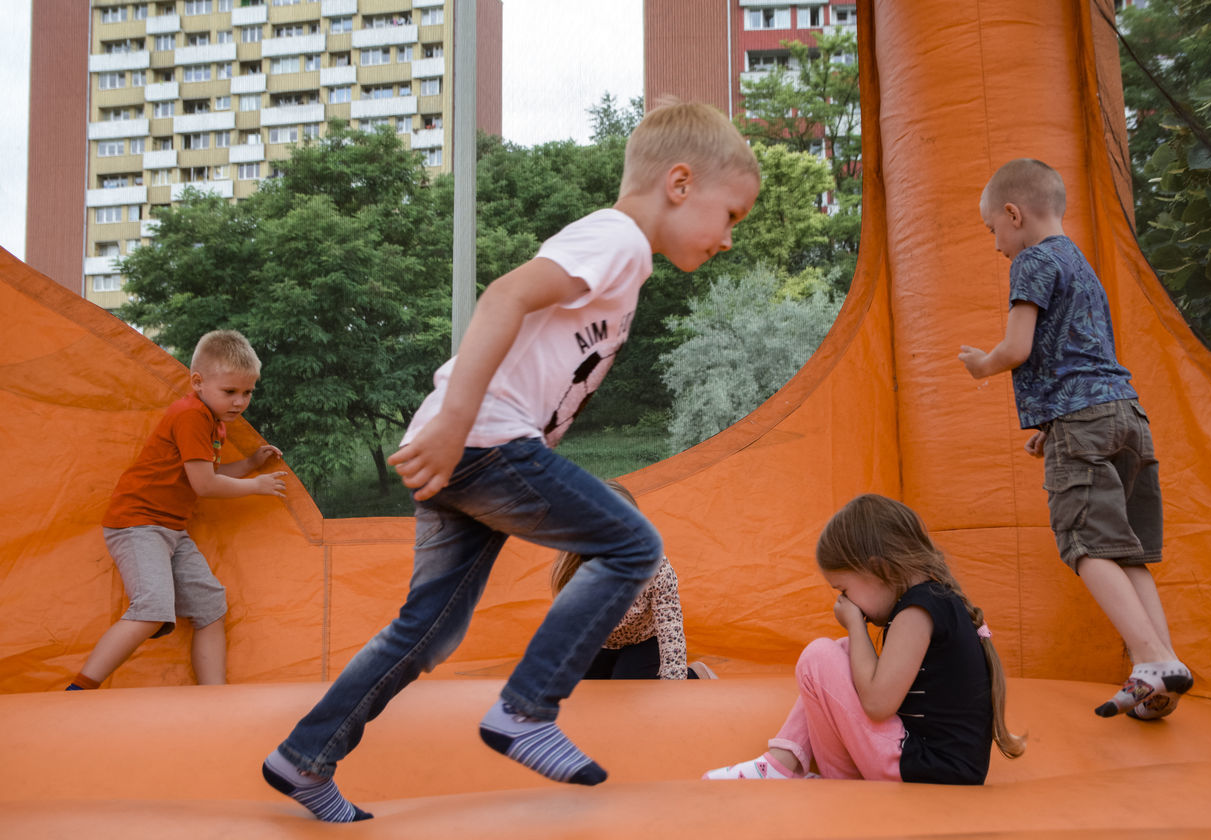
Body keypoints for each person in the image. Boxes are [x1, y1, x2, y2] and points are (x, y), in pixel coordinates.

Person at [261, 100, 761, 822]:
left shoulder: (626, 259)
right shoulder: (619, 239)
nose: (730, 239)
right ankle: (526, 710)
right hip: (483, 439)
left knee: (427, 630)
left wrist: (457, 428)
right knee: (633, 543)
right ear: (679, 184)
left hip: (471, 445)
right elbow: (505, 296)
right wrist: (456, 422)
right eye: (732, 215)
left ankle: (306, 755)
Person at [958, 158, 1192, 720]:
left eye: (993, 230)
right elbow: (1082, 356)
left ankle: (1151, 659)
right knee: (1128, 552)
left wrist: (983, 364)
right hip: (1126, 416)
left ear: (1014, 214)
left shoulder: (1032, 260)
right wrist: (1053, 429)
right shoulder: (1081, 264)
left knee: (1085, 545)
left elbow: (1018, 348)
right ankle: (1165, 669)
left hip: (1083, 421)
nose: (996, 245)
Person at [704, 494, 1025, 783]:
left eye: (844, 589)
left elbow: (877, 705)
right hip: (931, 765)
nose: (844, 601)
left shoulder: (918, 610)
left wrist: (855, 626)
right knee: (842, 652)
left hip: (925, 768)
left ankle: (784, 765)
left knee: (819, 656)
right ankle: (788, 762)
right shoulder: (935, 600)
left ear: (878, 569)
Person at [66, 330, 287, 691]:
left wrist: (249, 464)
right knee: (152, 608)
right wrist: (255, 486)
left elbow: (206, 473)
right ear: (198, 382)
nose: (240, 401)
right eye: (230, 391)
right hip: (138, 524)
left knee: (211, 606)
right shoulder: (190, 415)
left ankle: (214, 697)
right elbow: (205, 485)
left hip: (171, 529)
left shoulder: (213, 421)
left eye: (248, 392)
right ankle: (78, 690)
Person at [551, 480, 717, 680]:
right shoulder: (576, 567)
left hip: (642, 641)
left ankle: (696, 674)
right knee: (579, 687)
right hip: (600, 643)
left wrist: (674, 678)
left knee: (629, 686)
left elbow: (670, 624)